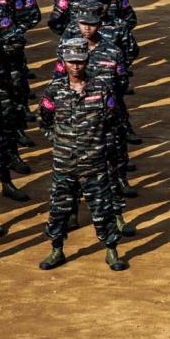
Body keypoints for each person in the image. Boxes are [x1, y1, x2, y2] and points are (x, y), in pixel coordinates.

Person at [38, 39, 124, 272]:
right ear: (64, 62)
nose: (76, 66)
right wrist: (59, 141)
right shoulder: (54, 90)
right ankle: (56, 249)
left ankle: (111, 250)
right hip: (64, 163)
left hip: (94, 162)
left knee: (102, 209)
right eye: (71, 62)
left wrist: (98, 144)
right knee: (59, 209)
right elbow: (44, 120)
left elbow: (113, 120)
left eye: (80, 61)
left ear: (87, 61)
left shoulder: (101, 88)